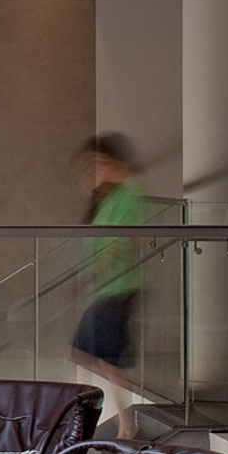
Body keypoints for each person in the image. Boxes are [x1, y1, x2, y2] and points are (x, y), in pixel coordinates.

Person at [71, 134, 151, 437]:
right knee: (93, 356)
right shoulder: (111, 195)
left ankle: (122, 425)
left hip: (120, 287)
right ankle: (114, 422)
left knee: (105, 359)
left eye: (101, 162)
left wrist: (93, 273)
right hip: (109, 287)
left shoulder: (131, 195)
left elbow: (119, 243)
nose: (97, 169)